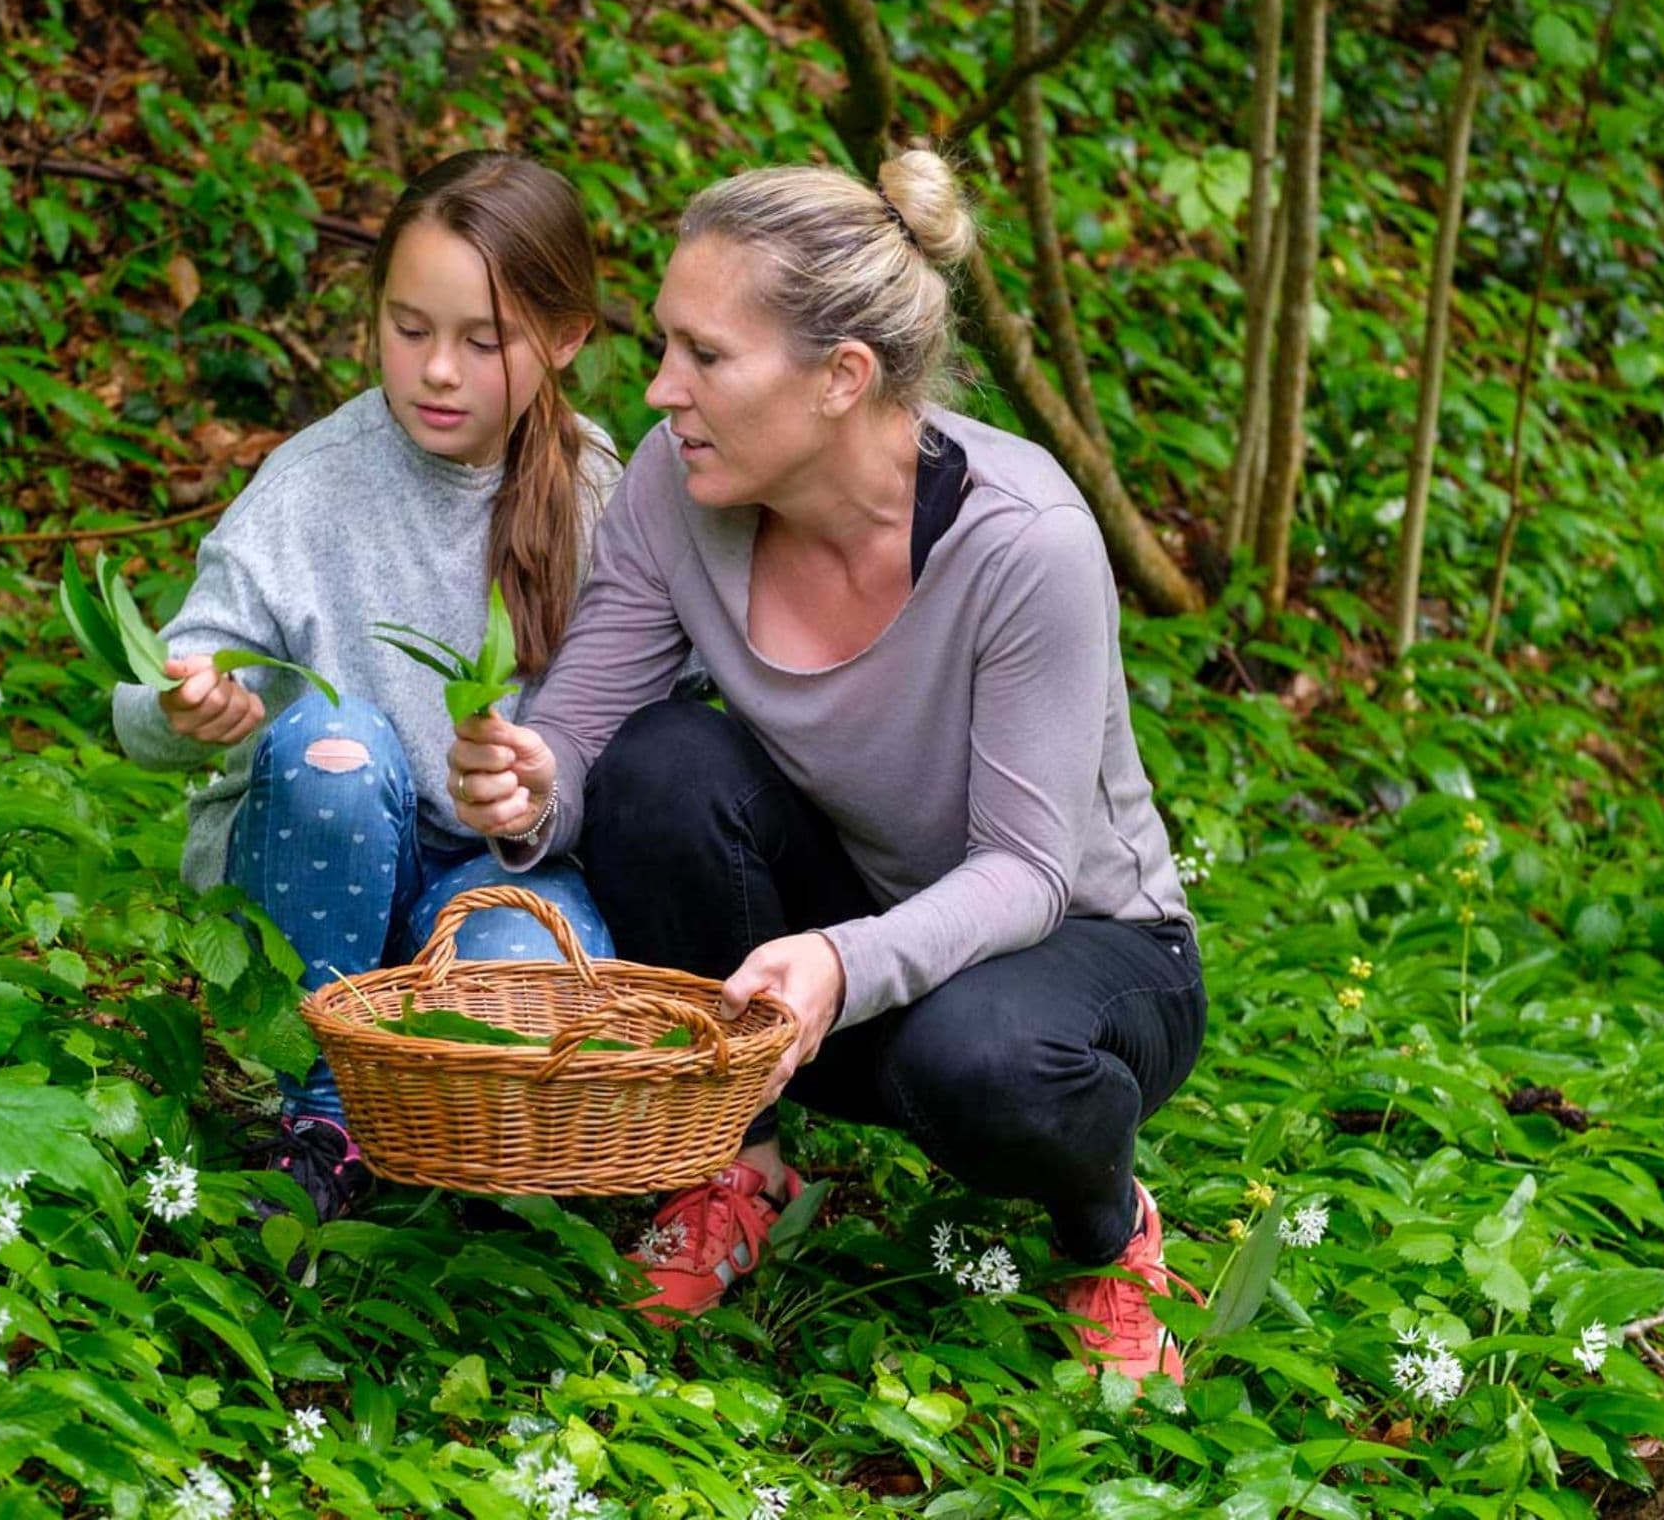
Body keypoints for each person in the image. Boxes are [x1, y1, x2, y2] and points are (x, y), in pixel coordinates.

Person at [447, 152, 1208, 1380]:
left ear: (841, 378)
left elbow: (1025, 873)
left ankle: (1105, 1233)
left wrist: (841, 962)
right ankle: (735, 1161)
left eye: (705, 356)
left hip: (1086, 951)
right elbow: (584, 737)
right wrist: (534, 781)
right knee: (659, 767)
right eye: (661, 346)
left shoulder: (1025, 543)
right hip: (848, 942)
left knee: (968, 1056)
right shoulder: (675, 487)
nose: (658, 390)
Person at [113, 150, 620, 1223]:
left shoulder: (594, 493)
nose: (439, 370)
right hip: (318, 864)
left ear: (565, 338)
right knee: (331, 744)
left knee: (533, 999)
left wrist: (545, 788)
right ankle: (318, 1111)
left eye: (484, 343)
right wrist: (184, 711)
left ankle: (446, 1132)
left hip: (486, 876)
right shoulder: (312, 484)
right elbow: (151, 705)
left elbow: (672, 704)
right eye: (409, 329)